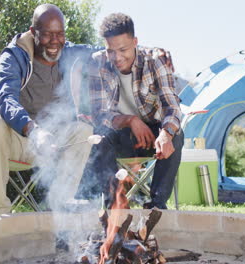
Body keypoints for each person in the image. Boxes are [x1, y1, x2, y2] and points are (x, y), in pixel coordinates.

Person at [0, 4, 97, 215]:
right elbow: (5, 98)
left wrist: (140, 50)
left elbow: (106, 51)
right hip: (19, 139)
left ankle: (59, 206)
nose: (55, 41)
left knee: (83, 130)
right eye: (48, 34)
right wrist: (34, 131)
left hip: (54, 143)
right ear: (33, 33)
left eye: (59, 34)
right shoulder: (14, 56)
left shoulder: (69, 53)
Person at [79, 13, 184, 209]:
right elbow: (100, 115)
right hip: (119, 136)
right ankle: (114, 204)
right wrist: (131, 120)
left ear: (135, 42)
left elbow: (172, 106)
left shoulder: (156, 61)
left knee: (176, 135)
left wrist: (166, 133)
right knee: (100, 137)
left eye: (123, 49)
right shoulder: (97, 62)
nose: (117, 58)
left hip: (153, 135)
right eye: (111, 51)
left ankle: (157, 205)